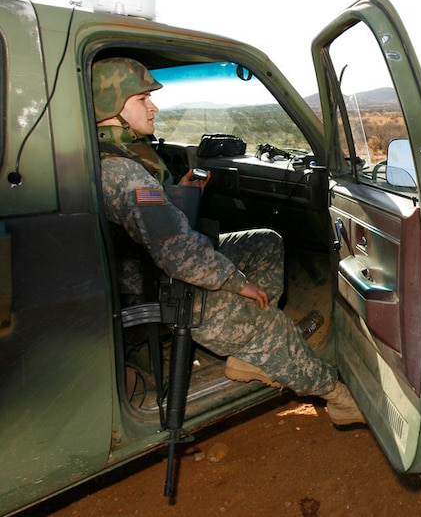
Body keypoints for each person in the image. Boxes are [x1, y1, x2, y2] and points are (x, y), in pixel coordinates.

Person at [93, 57, 364, 426]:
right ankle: (336, 396)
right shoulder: (121, 171)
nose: (153, 106)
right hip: (164, 287)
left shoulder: (117, 155)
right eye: (142, 99)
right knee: (271, 327)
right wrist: (238, 283)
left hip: (155, 268)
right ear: (111, 108)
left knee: (266, 241)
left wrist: (181, 194)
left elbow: (151, 223)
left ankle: (254, 354)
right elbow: (181, 256)